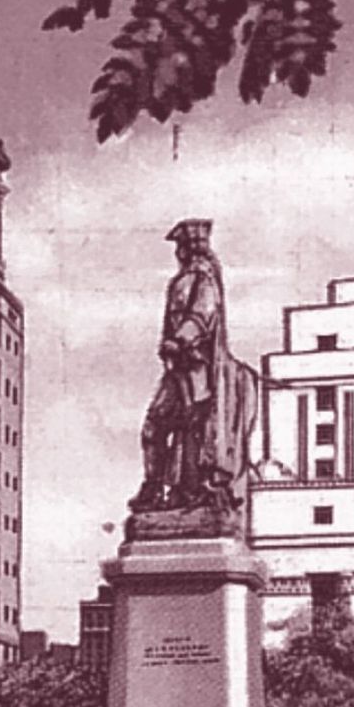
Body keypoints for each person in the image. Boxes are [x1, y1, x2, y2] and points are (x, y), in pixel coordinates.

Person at [130, 219, 259, 515]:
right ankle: (155, 486)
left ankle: (200, 488)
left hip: (199, 368)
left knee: (197, 429)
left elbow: (204, 313)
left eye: (182, 246)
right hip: (178, 369)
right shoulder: (182, 279)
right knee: (154, 425)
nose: (181, 252)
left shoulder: (203, 277)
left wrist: (180, 340)